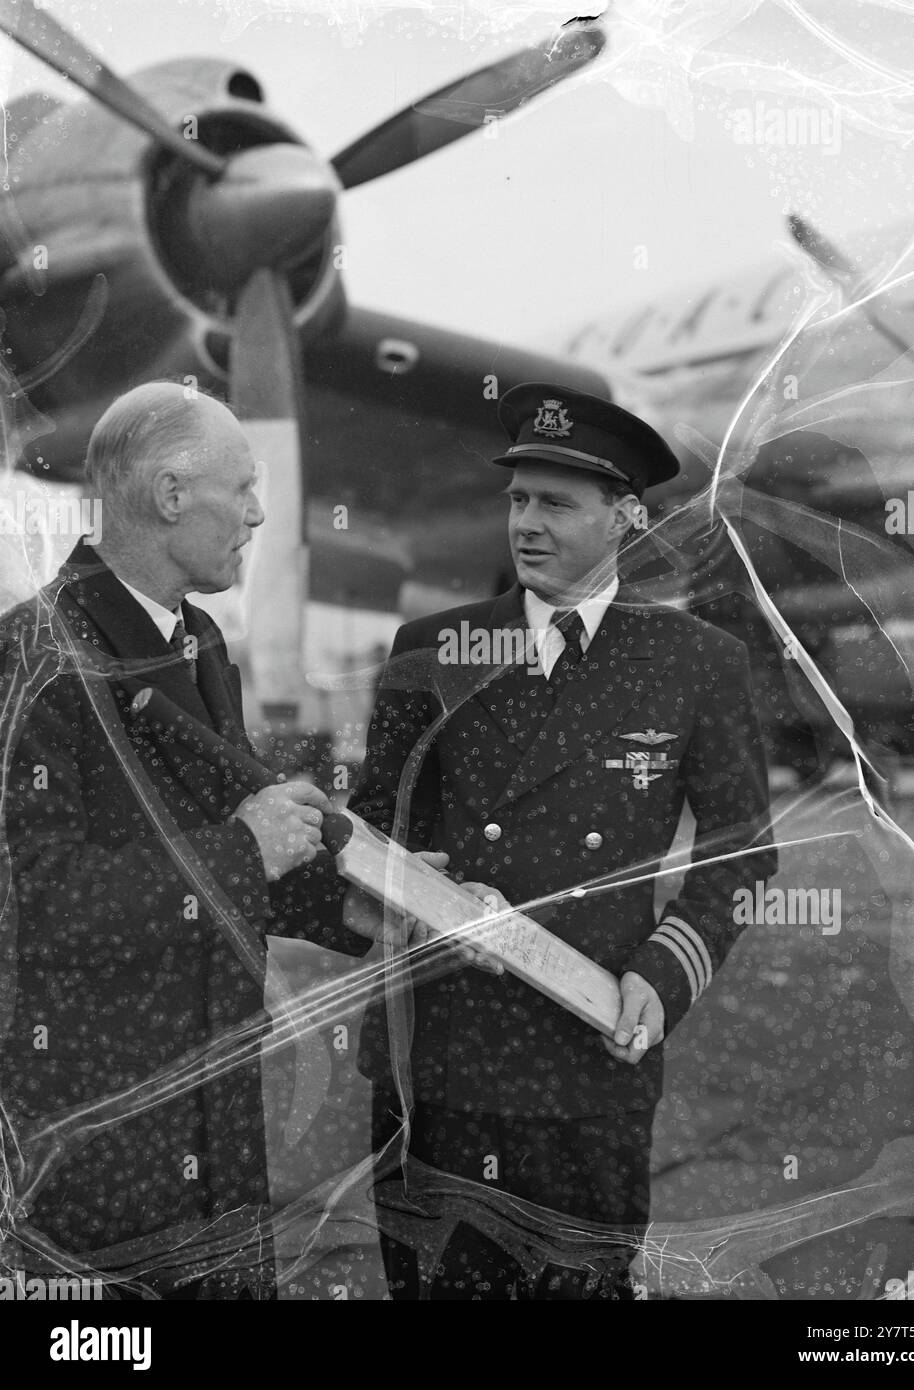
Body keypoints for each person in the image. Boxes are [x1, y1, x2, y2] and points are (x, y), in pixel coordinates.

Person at [0, 382, 441, 1299]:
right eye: (241, 488)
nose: (259, 512)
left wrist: (354, 909)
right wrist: (245, 851)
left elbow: (217, 850)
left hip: (219, 1093)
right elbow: (39, 906)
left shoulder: (197, 641)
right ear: (169, 496)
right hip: (102, 1118)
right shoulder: (32, 657)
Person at [350, 382, 778, 1299]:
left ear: (624, 516)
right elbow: (373, 836)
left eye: (555, 503)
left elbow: (742, 856)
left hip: (589, 1059)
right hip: (440, 1060)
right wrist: (422, 906)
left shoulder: (697, 662)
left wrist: (659, 983)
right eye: (516, 499)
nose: (526, 524)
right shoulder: (431, 649)